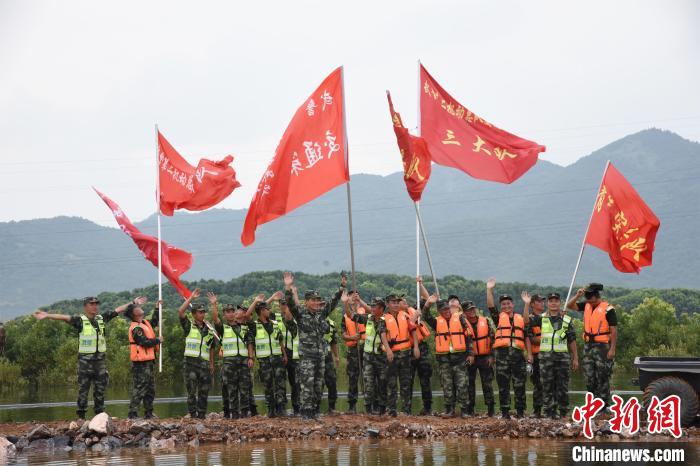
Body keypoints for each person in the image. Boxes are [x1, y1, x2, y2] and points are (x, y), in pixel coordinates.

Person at [33, 295, 141, 419]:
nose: (95, 306)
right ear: (85, 306)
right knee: (83, 390)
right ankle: (81, 416)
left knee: (100, 390)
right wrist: (47, 315)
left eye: (96, 304)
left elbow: (118, 310)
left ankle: (100, 415)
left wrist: (133, 302)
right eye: (92, 304)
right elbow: (64, 317)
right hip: (85, 362)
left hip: (100, 362)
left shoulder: (102, 318)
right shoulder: (80, 320)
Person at [281, 272, 344, 420]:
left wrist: (341, 288)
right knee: (306, 386)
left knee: (318, 385)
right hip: (307, 357)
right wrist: (288, 287)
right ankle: (306, 413)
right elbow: (290, 303)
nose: (317, 303)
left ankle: (315, 410)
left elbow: (332, 303)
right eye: (314, 300)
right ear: (307, 301)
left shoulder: (321, 315)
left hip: (320, 356)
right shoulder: (301, 314)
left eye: (318, 300)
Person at [525, 292, 579, 419]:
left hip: (562, 359)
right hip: (545, 359)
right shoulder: (541, 318)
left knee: (562, 386)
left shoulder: (566, 319)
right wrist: (527, 304)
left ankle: (563, 412)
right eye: (551, 301)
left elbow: (572, 340)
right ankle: (549, 412)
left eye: (556, 300)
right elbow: (526, 321)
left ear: (560, 303)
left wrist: (575, 358)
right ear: (548, 304)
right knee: (547, 386)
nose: (553, 303)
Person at [422, 295, 474, 418]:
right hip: (444, 360)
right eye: (443, 310)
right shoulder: (436, 322)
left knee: (462, 385)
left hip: (460, 358)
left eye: (448, 309)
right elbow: (425, 316)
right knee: (447, 385)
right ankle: (449, 410)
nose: (446, 312)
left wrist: (471, 354)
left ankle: (464, 410)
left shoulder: (460, 318)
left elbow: (469, 336)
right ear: (440, 312)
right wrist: (428, 304)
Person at [566, 283, 617, 409]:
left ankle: (604, 405)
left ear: (596, 297)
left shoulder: (608, 309)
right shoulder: (587, 305)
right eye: (587, 298)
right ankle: (592, 404)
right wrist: (577, 296)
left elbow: (614, 330)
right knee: (589, 376)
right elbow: (570, 306)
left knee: (602, 376)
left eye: (590, 298)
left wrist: (612, 349)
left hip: (603, 346)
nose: (588, 301)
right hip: (588, 345)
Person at [486, 278, 526, 419]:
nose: (506, 306)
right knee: (503, 385)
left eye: (508, 303)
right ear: (501, 306)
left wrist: (527, 304)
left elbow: (527, 328)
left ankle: (520, 412)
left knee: (519, 385)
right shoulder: (498, 318)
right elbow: (490, 306)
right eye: (503, 304)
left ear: (513, 305)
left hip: (518, 357)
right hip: (502, 356)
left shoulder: (520, 318)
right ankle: (505, 413)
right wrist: (489, 289)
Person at [210, 296, 255, 419]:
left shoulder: (244, 327)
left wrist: (251, 358)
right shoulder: (223, 328)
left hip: (244, 361)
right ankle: (234, 413)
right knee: (232, 389)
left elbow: (250, 343)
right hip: (229, 364)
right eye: (227, 312)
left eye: (232, 311)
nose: (230, 314)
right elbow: (215, 318)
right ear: (224, 315)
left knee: (245, 388)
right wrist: (214, 304)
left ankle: (245, 413)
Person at [344, 293, 388, 415]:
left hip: (381, 357)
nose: (373, 309)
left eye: (376, 307)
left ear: (381, 309)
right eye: (372, 306)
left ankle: (382, 409)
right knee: (368, 383)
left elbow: (384, 336)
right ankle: (369, 410)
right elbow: (351, 315)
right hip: (368, 357)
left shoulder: (386, 320)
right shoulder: (368, 318)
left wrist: (389, 351)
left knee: (382, 383)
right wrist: (345, 303)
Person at [178, 289, 216, 419]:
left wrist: (211, 364)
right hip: (190, 364)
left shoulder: (209, 328)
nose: (202, 314)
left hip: (204, 365)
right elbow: (180, 312)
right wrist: (191, 298)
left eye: (203, 312)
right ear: (194, 314)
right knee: (191, 392)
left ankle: (202, 414)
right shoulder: (189, 326)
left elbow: (212, 347)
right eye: (200, 312)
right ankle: (193, 414)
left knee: (204, 391)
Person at [250, 296, 288, 418]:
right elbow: (246, 316)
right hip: (264, 360)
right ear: (261, 311)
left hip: (277, 358)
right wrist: (256, 301)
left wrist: (284, 354)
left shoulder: (275, 323)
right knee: (268, 385)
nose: (269, 311)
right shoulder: (254, 325)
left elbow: (280, 340)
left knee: (280, 384)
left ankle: (281, 408)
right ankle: (271, 409)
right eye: (267, 309)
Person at [125, 299, 162, 419]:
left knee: (150, 389)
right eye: (136, 307)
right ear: (134, 313)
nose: (139, 307)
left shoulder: (144, 323)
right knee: (140, 388)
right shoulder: (135, 328)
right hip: (140, 363)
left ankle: (149, 413)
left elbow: (154, 322)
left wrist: (157, 308)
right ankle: (133, 413)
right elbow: (143, 342)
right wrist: (158, 340)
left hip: (149, 361)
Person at [384, 293, 420, 416]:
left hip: (405, 353)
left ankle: (406, 410)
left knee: (406, 382)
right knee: (392, 383)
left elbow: (413, 330)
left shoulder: (405, 315)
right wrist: (388, 350)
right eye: (393, 302)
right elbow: (382, 335)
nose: (395, 304)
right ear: (388, 304)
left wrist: (415, 347)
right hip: (392, 354)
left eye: (397, 302)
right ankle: (392, 410)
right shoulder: (384, 318)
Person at [463, 300, 496, 417]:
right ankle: (470, 409)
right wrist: (468, 355)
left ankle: (491, 410)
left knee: (487, 384)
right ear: (464, 312)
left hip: (485, 356)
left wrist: (492, 355)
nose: (472, 311)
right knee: (469, 384)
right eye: (468, 310)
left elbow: (493, 339)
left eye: (473, 309)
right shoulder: (463, 323)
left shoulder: (486, 321)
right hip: (469, 357)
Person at [408, 279, 434, 415]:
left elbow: (427, 298)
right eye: (398, 301)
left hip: (422, 349)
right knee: (408, 380)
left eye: (403, 300)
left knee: (425, 379)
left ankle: (427, 408)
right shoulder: (393, 317)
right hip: (407, 351)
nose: (403, 302)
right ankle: (407, 409)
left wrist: (420, 284)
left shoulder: (415, 310)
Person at [341, 290, 365, 414]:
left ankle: (371, 405)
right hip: (353, 351)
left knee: (368, 377)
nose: (354, 298)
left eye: (356, 295)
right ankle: (352, 406)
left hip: (366, 349)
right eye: (351, 296)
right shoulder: (345, 316)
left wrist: (359, 301)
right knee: (353, 378)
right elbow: (343, 335)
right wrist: (352, 338)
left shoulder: (365, 312)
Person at [526, 294, 545, 418]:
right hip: (537, 355)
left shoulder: (547, 318)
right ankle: (537, 411)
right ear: (532, 304)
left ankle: (550, 410)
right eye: (539, 301)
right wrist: (548, 340)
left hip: (549, 355)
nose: (542, 303)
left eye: (543, 301)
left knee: (549, 383)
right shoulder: (530, 319)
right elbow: (530, 338)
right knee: (538, 383)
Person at [323, 316, 340, 415]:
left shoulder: (331, 323)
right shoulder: (312, 319)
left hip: (327, 356)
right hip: (314, 356)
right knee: (316, 383)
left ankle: (332, 407)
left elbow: (333, 342)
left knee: (332, 381)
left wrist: (337, 356)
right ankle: (314, 408)